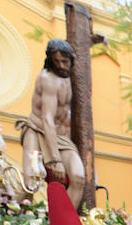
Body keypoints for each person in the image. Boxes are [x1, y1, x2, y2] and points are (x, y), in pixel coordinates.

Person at [18, 39, 86, 209]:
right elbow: (47, 119)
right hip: (38, 129)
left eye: (65, 61)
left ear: (72, 59)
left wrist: (91, 41)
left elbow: (80, 43)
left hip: (62, 137)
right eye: (57, 61)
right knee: (31, 180)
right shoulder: (47, 79)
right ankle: (15, 222)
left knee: (78, 178)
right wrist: (56, 160)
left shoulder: (72, 77)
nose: (62, 66)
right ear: (50, 60)